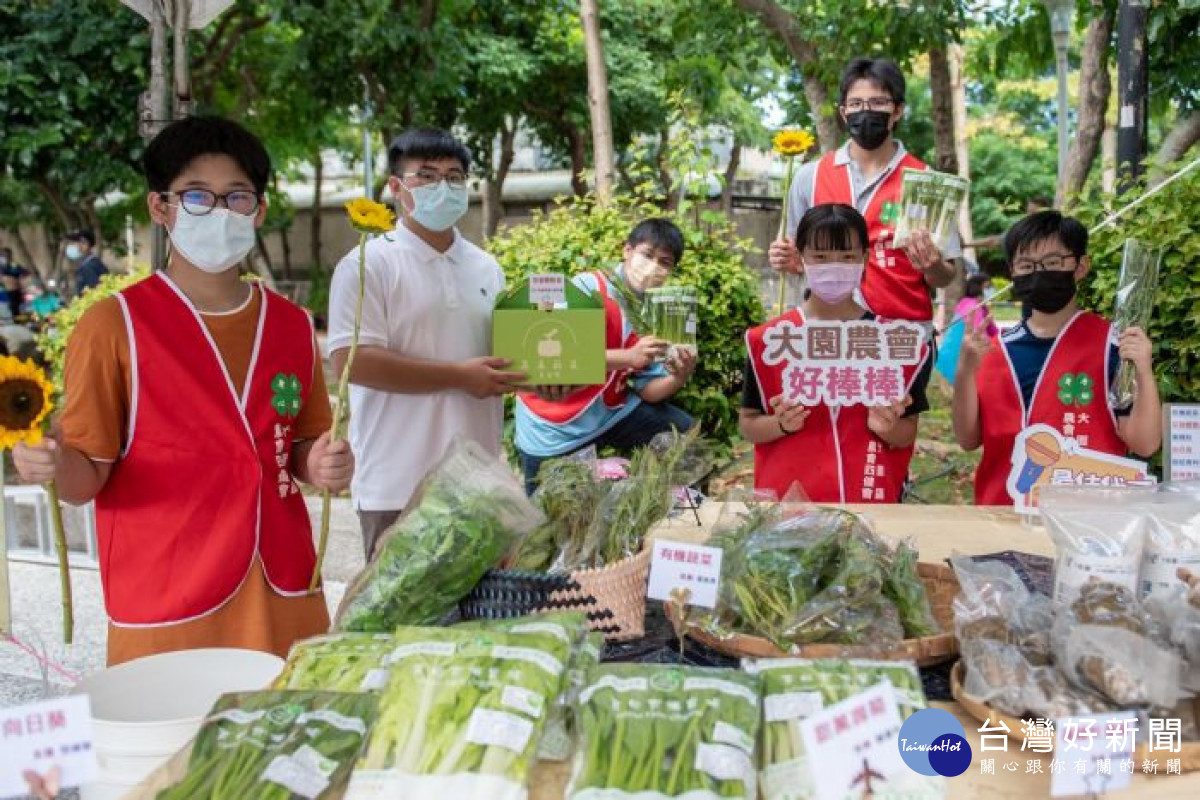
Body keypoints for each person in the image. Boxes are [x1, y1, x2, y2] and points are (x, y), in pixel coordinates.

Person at [13, 116, 352, 666]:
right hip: (169, 599)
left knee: (285, 743)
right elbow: (85, 477)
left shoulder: (290, 325)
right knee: (171, 747)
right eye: (197, 195)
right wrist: (50, 464)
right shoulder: (113, 325)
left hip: (285, 591)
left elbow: (300, 447)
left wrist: (324, 464)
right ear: (159, 207)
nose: (218, 211)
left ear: (259, 210)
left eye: (236, 197)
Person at [328, 127, 524, 557]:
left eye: (455, 177)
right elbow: (351, 361)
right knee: (397, 623)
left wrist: (548, 377)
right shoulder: (367, 263)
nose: (444, 186)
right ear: (396, 188)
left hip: (477, 485)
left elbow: (504, 360)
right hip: (397, 487)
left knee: (480, 622)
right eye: (428, 175)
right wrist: (457, 376)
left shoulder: (486, 267)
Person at [952, 210, 1162, 505]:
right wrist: (964, 372)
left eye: (1052, 262)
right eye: (1026, 264)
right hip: (1000, 522)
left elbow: (1145, 442)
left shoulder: (1112, 345)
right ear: (1012, 272)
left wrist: (1143, 370)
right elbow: (967, 439)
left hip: (1087, 524)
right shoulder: (994, 351)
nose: (1039, 272)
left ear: (1080, 266)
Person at [742, 204, 932, 502]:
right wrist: (780, 424)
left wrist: (889, 428)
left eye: (846, 256)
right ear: (800, 258)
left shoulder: (896, 344)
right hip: (789, 511)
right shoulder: (768, 341)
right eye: (820, 257)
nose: (834, 266)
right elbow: (748, 424)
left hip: (870, 504)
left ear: (865, 259)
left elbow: (907, 432)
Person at [768, 57, 959, 324]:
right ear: (844, 112)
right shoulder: (809, 177)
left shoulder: (927, 184)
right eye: (856, 104)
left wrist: (933, 265)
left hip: (902, 338)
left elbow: (947, 275)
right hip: (827, 335)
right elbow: (797, 261)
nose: (866, 111)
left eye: (878, 103)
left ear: (898, 110)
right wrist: (785, 259)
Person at [515, 218, 698, 494]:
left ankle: (670, 514)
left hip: (609, 414)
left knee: (682, 432)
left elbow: (649, 390)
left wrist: (679, 376)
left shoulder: (656, 311)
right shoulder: (587, 288)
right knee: (547, 520)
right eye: (647, 255)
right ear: (627, 251)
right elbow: (553, 359)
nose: (653, 267)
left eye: (665, 262)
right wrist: (628, 357)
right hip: (553, 427)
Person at [63, 228, 108, 295]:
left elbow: (96, 293)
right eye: (76, 242)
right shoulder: (87, 264)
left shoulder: (89, 266)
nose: (78, 246)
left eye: (83, 243)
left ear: (90, 246)